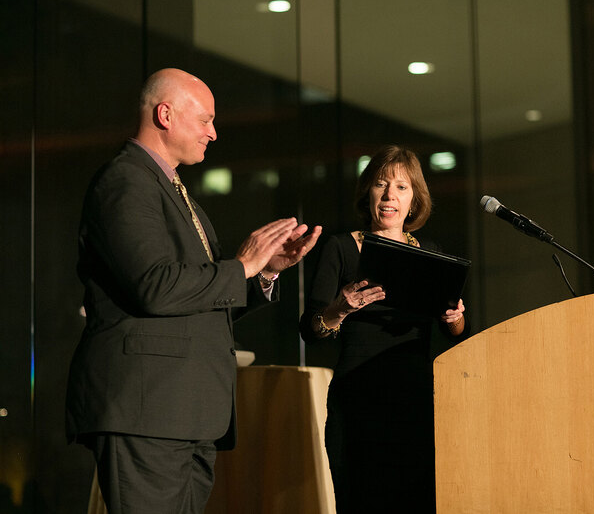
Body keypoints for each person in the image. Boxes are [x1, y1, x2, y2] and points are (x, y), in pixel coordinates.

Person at [65, 68, 321, 514]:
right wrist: (241, 265)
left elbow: (197, 300)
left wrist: (261, 274)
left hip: (185, 412)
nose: (214, 133)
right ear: (165, 114)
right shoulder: (126, 181)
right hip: (149, 410)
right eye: (205, 120)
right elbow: (155, 287)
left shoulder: (180, 196)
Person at [299, 145, 468, 512]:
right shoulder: (341, 248)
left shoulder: (431, 252)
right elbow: (310, 329)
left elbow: (455, 332)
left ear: (414, 200)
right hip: (358, 398)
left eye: (402, 187)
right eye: (381, 185)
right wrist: (339, 309)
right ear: (368, 193)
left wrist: (455, 319)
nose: (391, 195)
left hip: (416, 398)